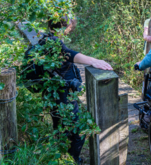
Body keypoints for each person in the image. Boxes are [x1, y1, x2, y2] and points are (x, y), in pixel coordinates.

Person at [45, 16, 112, 164]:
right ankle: (72, 159)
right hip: (63, 96)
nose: (70, 30)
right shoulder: (54, 42)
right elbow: (70, 54)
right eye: (69, 27)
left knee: (60, 125)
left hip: (53, 93)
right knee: (80, 129)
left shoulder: (46, 39)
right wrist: (94, 61)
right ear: (63, 26)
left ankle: (63, 156)